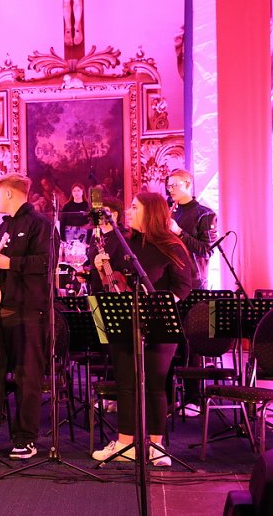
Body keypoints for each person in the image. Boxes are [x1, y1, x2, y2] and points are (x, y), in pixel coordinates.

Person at [90, 192, 193, 467]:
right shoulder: (124, 243)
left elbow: (184, 286)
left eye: (135, 207)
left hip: (160, 323)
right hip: (126, 322)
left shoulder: (172, 245)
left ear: (151, 212)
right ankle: (126, 444)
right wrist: (100, 271)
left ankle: (156, 446)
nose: (129, 211)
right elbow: (110, 285)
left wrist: (159, 305)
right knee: (126, 384)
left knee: (156, 385)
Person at [0, 173, 55, 460]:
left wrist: (10, 263)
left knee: (27, 377)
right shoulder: (1, 228)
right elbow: (1, 265)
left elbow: (46, 262)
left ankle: (25, 439)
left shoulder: (41, 224)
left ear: (8, 194)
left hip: (29, 312)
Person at [166, 168, 217, 416]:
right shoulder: (169, 210)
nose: (170, 190)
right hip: (170, 282)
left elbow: (207, 250)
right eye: (169, 186)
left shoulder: (204, 214)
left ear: (187, 184)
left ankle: (193, 398)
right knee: (169, 341)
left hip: (195, 284)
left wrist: (179, 233)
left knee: (192, 342)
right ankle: (167, 399)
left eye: (174, 185)